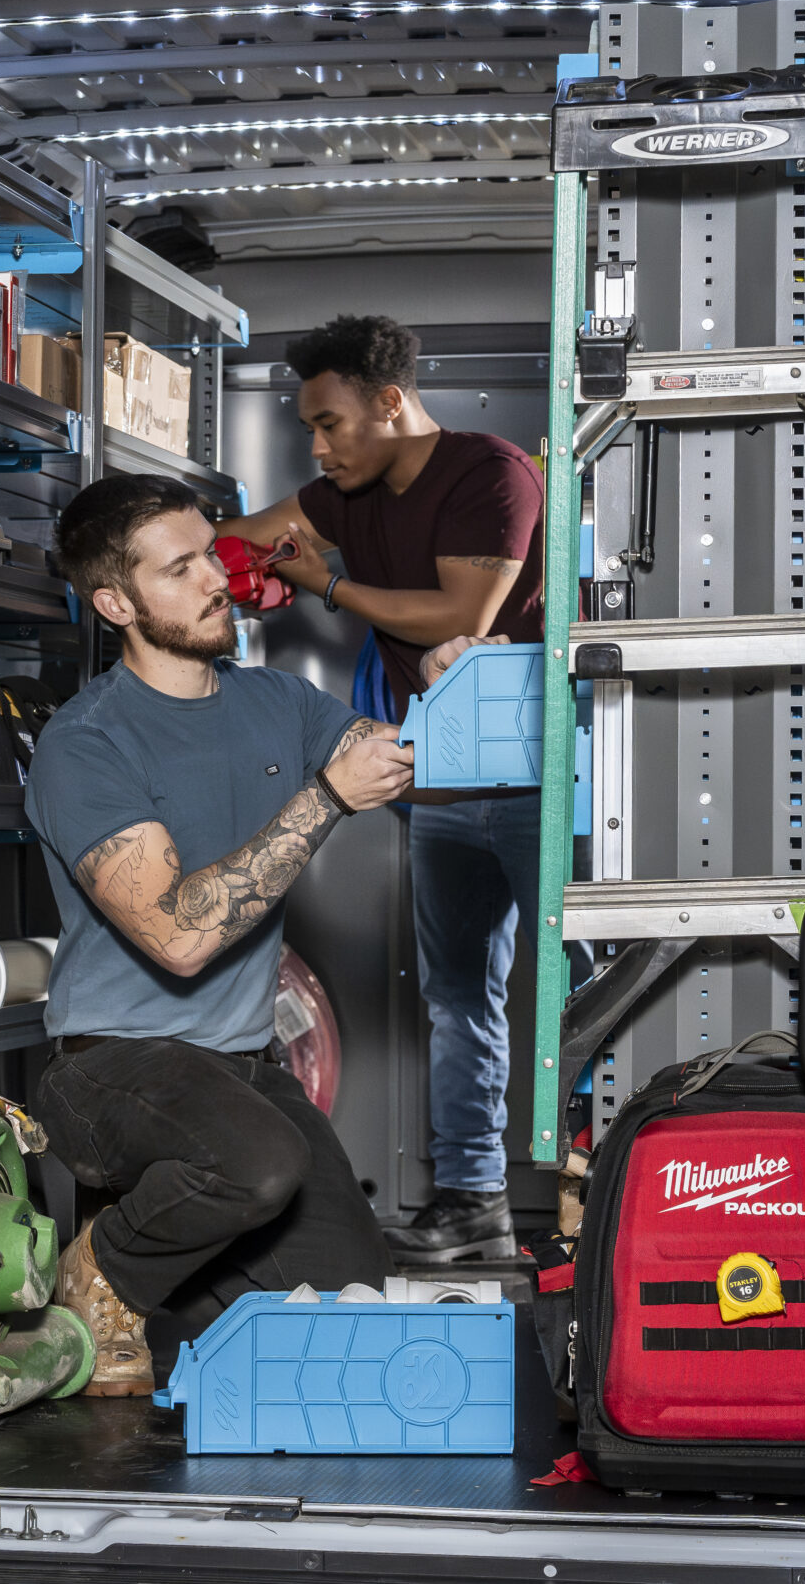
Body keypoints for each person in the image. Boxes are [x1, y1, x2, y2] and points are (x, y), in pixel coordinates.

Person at [25, 473, 418, 1395]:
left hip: (242, 1069)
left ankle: (161, 1302)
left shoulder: (274, 701)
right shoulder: (88, 744)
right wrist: (325, 798)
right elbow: (178, 938)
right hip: (112, 1065)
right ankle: (100, 1265)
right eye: (183, 567)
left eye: (212, 553)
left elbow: (394, 748)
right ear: (116, 602)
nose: (219, 580)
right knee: (258, 1162)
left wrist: (452, 684)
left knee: (347, 1304)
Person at [216, 313, 546, 1266]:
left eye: (331, 424)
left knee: (578, 990)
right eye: (309, 429)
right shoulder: (344, 495)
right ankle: (472, 1201)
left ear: (391, 403)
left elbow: (460, 609)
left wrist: (328, 585)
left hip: (531, 781)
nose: (318, 448)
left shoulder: (490, 475)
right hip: (438, 784)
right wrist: (171, 551)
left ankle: (593, 1185)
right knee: (459, 1001)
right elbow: (241, 538)